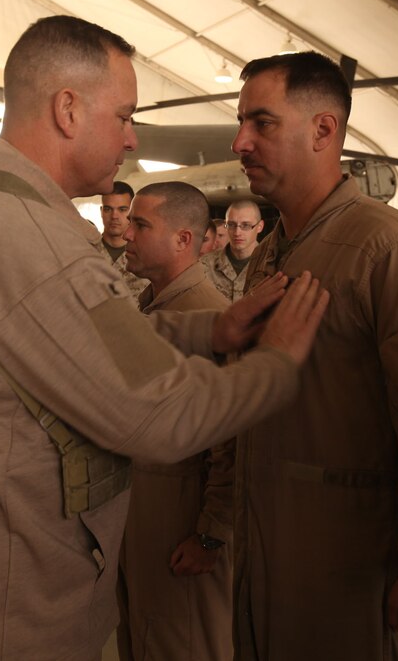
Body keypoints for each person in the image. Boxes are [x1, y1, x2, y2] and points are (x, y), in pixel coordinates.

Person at [0, 15, 328, 661]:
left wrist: (211, 328)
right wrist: (277, 362)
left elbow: (61, 336)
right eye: (125, 116)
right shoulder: (28, 235)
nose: (133, 138)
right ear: (68, 109)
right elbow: (162, 415)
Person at [231, 51, 398, 660]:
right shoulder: (272, 252)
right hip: (268, 545)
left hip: (355, 566)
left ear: (325, 130)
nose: (241, 142)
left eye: (261, 123)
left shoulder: (392, 249)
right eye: (241, 123)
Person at [116, 181, 235, 660]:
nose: (126, 233)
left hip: (182, 517)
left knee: (182, 642)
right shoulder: (154, 307)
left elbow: (233, 441)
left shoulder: (207, 317)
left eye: (141, 224)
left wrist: (211, 533)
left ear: (184, 240)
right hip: (146, 511)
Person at [201, 200, 264, 302]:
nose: (237, 232)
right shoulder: (205, 265)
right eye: (231, 225)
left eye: (246, 225)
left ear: (260, 227)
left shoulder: (271, 264)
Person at [99, 180, 149, 301]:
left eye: (122, 209)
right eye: (108, 209)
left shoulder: (147, 255)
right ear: (101, 211)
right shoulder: (85, 251)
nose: (114, 216)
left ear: (132, 212)